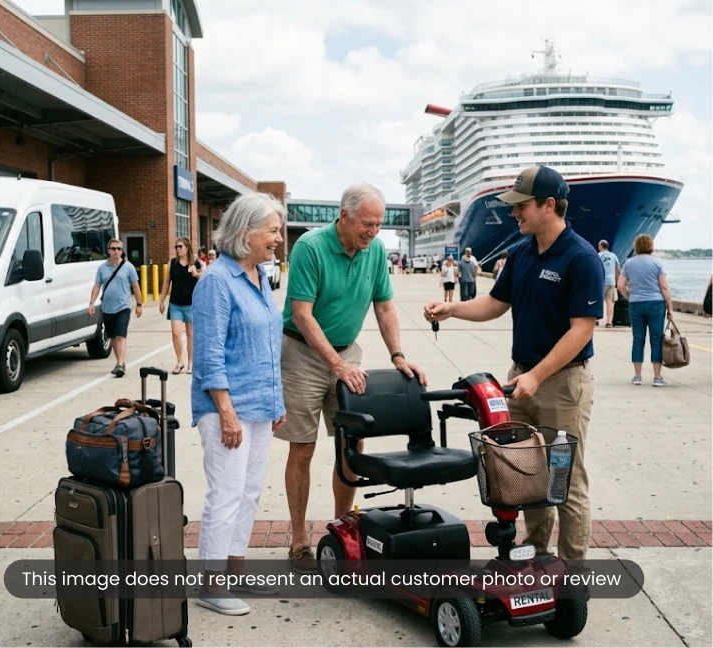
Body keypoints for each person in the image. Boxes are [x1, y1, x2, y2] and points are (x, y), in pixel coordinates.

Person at [424, 165, 604, 562]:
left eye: (521, 206)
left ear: (549, 205)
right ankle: (538, 553)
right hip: (522, 379)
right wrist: (451, 309)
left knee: (565, 481)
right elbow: (494, 303)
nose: (514, 214)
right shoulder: (520, 254)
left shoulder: (581, 258)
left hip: (561, 384)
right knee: (529, 474)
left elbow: (581, 331)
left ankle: (572, 573)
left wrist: (537, 376)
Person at [275, 182, 427, 573]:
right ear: (343, 216)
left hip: (346, 352)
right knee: (303, 448)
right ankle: (298, 540)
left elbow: (385, 306)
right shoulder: (310, 246)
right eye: (366, 224)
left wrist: (398, 356)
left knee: (352, 446)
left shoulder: (374, 250)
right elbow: (302, 314)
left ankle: (343, 528)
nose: (373, 232)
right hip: (302, 353)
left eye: (378, 225)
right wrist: (336, 366)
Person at [191, 192, 287, 616]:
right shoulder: (216, 281)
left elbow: (269, 343)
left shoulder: (260, 276)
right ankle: (211, 585)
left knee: (248, 493)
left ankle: (236, 570)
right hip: (225, 408)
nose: (279, 239)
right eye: (272, 231)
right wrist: (226, 412)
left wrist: (277, 399)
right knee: (226, 494)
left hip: (260, 405)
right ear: (246, 233)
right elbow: (209, 355)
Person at [617, 234, 674, 387]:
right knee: (656, 340)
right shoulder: (657, 263)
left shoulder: (629, 263)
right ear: (650, 246)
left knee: (638, 339)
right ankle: (657, 377)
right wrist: (670, 307)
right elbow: (664, 287)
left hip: (636, 304)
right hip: (656, 304)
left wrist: (630, 296)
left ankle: (637, 376)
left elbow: (620, 285)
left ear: (636, 246)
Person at [88, 239, 143, 377]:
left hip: (123, 307)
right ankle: (120, 362)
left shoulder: (128, 267)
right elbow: (97, 286)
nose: (116, 251)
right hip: (107, 308)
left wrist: (139, 304)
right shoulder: (102, 268)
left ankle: (119, 363)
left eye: (119, 249)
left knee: (120, 335)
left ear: (122, 251)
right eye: (113, 249)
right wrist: (91, 303)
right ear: (108, 250)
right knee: (112, 336)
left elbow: (136, 286)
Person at [159, 237, 202, 374]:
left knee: (190, 334)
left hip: (191, 304)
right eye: (176, 247)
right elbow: (167, 282)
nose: (178, 249)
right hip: (175, 303)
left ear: (187, 247)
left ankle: (191, 363)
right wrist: (161, 300)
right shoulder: (172, 263)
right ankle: (179, 361)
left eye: (180, 246)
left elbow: (205, 277)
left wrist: (195, 273)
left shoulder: (196, 263)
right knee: (176, 333)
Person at [598, 240, 621, 328]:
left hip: (601, 281)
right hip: (611, 281)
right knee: (609, 302)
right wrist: (618, 280)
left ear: (600, 246)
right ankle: (609, 322)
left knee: (598, 300)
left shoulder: (598, 255)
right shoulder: (613, 255)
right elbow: (618, 269)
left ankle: (596, 319)